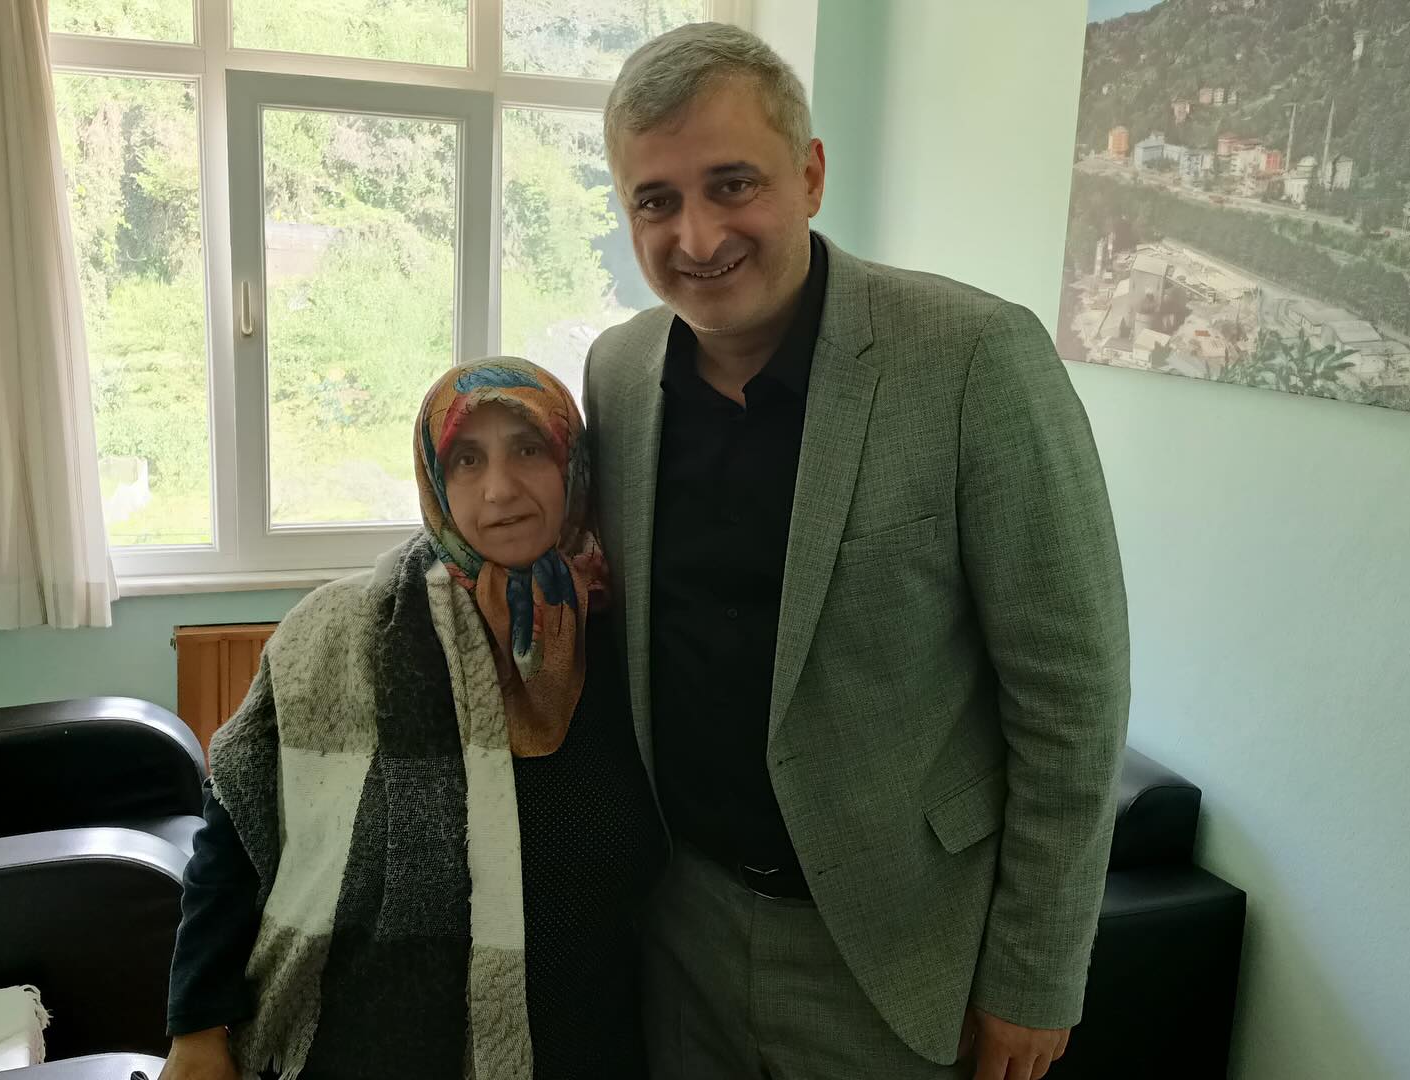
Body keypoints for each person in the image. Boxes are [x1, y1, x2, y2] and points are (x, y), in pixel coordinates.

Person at [583, 22, 1131, 1080]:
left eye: (732, 184)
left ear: (811, 175)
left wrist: (1035, 977)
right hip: (681, 930)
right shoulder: (616, 374)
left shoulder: (973, 358)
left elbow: (1074, 696)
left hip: (898, 955)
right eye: (656, 200)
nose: (697, 236)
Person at [159, 358, 666, 1080]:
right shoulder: (342, 632)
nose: (500, 489)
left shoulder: (630, 635)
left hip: (592, 1037)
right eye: (468, 459)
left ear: (573, 466)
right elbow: (234, 831)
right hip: (371, 1044)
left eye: (529, 449)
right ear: (435, 478)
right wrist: (197, 1026)